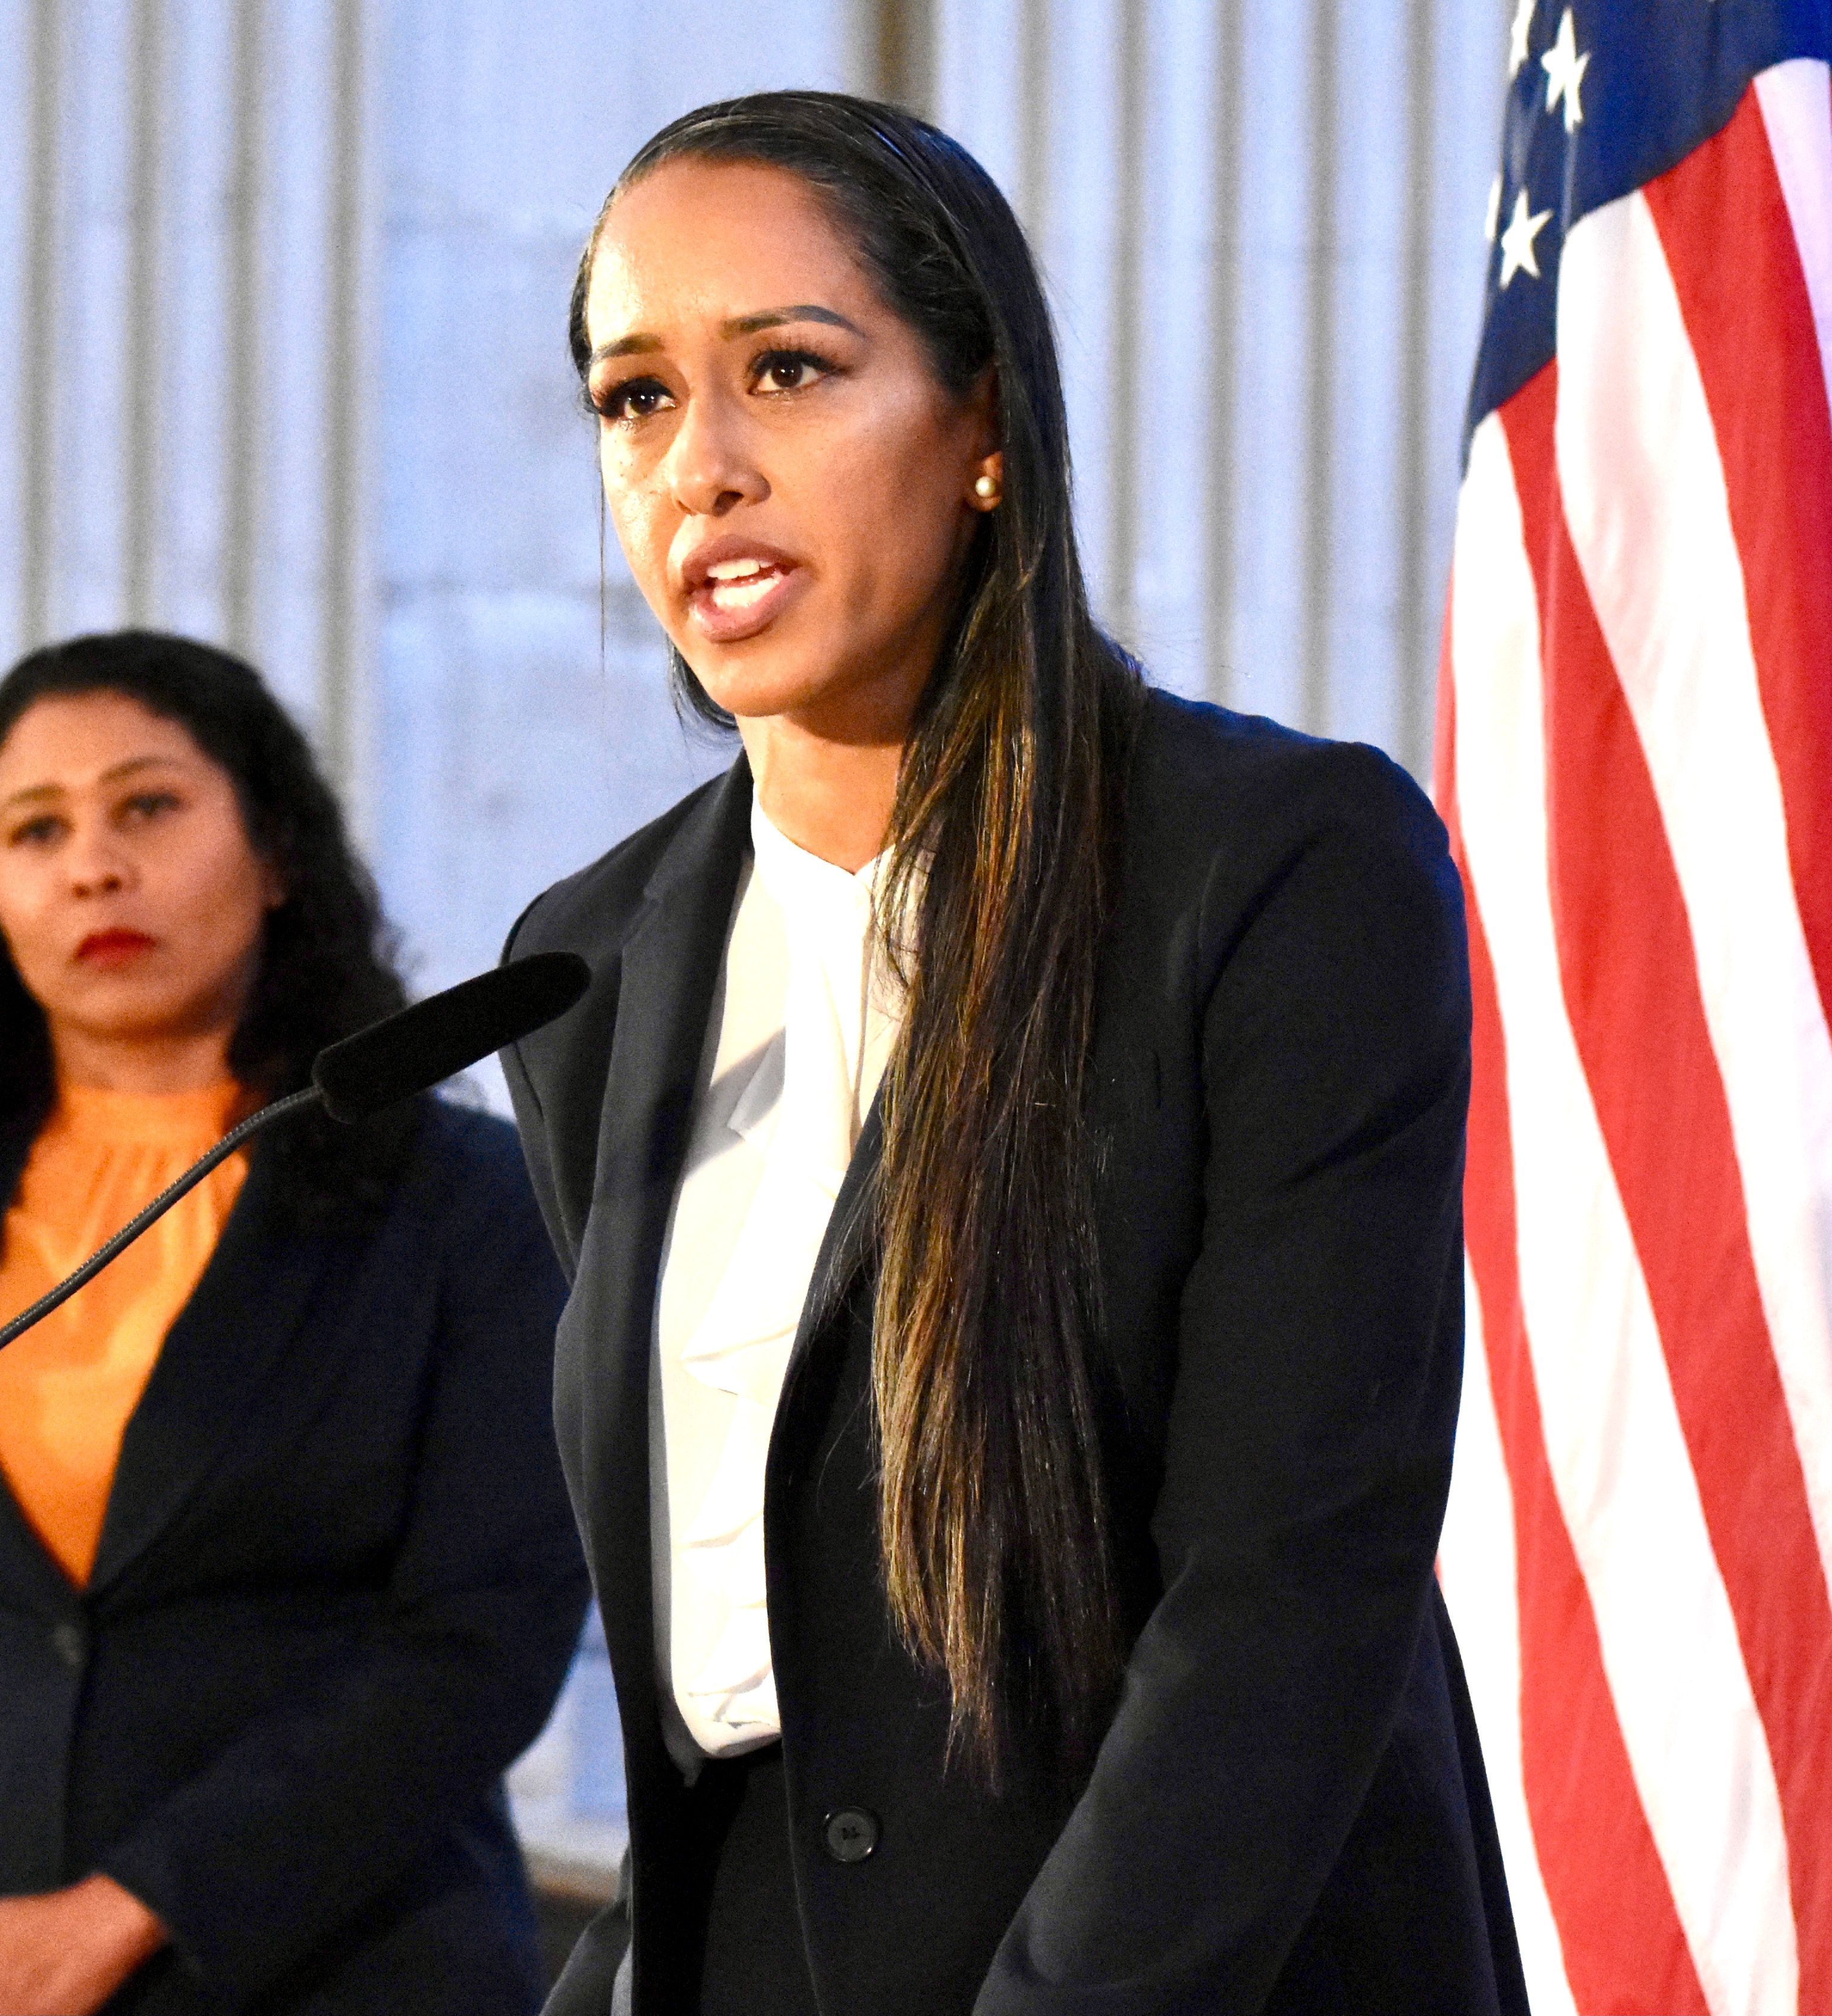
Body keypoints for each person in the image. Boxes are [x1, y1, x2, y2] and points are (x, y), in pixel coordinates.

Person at [499, 91, 1528, 2014]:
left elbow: (1291, 1591)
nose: (700, 466)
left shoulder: (1275, 865)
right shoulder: (589, 966)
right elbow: (714, 1658)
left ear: (982, 426)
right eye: (636, 400)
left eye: (787, 372)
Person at [0, 631, 589, 2016]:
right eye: (36, 828)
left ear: (278, 849)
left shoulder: (458, 1203)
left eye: (148, 806)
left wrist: (125, 1911)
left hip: (333, 1969)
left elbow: (481, 1637)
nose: (92, 866)